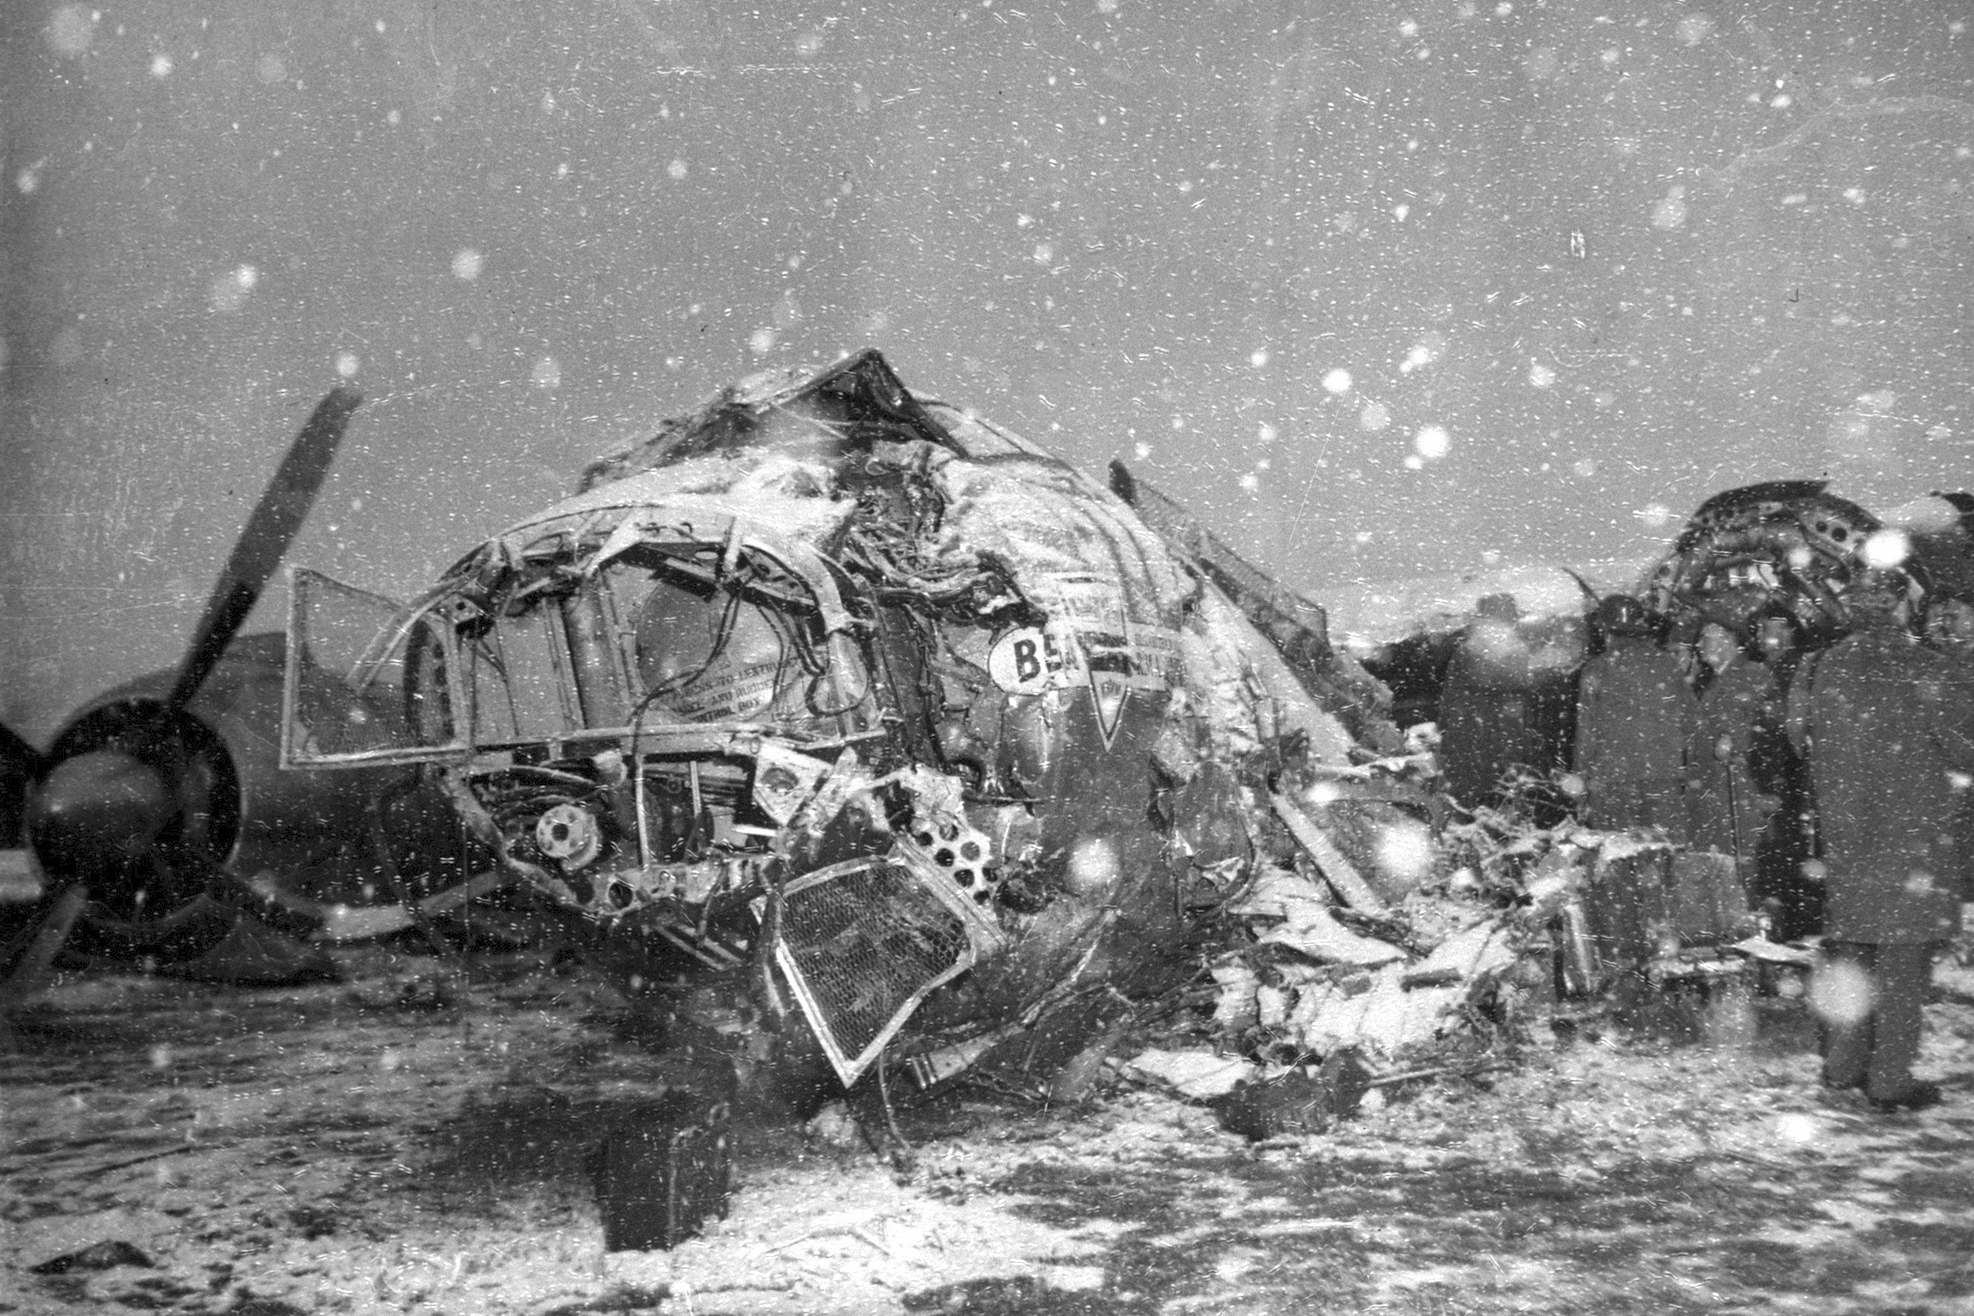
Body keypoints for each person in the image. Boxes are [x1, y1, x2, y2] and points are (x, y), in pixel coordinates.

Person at [1790, 569, 1974, 1111]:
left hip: (1849, 839)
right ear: (1899, 607)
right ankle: (1889, 1080)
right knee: (1903, 964)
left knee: (1852, 956)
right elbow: (1967, 750)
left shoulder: (1823, 666)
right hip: (1911, 841)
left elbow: (1799, 739)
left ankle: (1843, 1067)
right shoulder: (1929, 668)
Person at [1572, 594, 1694, 836]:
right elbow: (1690, 719)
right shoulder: (1668, 665)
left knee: (1617, 854)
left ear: (1606, 631)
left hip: (1611, 781)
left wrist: (1581, 780)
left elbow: (1586, 730)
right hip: (1662, 778)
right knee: (1663, 852)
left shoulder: (1597, 668)